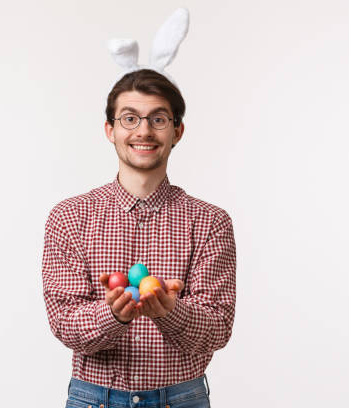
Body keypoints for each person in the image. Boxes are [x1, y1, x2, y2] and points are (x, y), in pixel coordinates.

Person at [41, 68, 237, 408]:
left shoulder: (210, 222)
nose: (144, 130)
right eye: (130, 118)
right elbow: (63, 323)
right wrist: (112, 314)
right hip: (95, 399)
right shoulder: (69, 217)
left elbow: (217, 328)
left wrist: (170, 311)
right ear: (110, 130)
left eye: (158, 119)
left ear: (177, 131)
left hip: (181, 399)